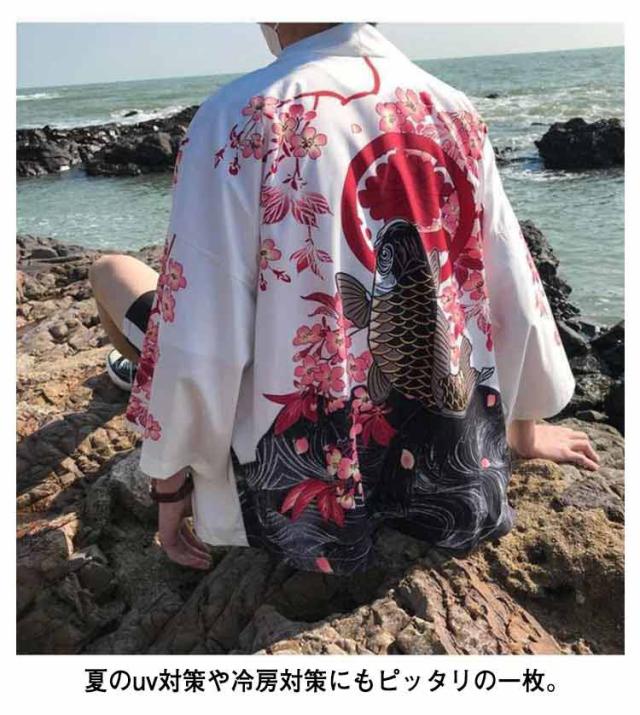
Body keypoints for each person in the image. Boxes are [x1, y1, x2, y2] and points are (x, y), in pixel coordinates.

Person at [89, 22, 600, 573]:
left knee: (110, 271)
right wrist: (524, 430)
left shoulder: (237, 116)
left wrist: (169, 482)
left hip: (301, 509)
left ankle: (135, 374)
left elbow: (197, 334)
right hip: (455, 491)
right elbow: (513, 291)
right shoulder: (452, 108)